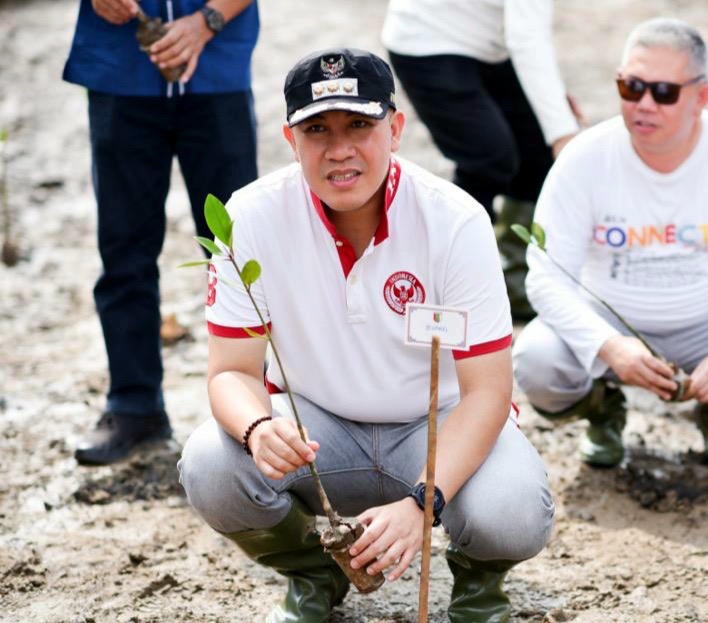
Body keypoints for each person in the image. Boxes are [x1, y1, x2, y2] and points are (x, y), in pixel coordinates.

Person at [177, 49, 554, 623]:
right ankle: (313, 570)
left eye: (360, 124)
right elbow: (230, 370)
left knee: (513, 511)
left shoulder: (456, 221)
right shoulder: (250, 216)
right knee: (210, 463)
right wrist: (258, 429)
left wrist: (421, 504)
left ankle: (478, 588)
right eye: (317, 129)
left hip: (437, 429)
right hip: (317, 430)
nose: (340, 149)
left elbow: (487, 392)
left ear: (396, 128)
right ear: (290, 138)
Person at [512, 18, 708, 470]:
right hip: (612, 318)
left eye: (663, 92)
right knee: (536, 360)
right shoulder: (583, 159)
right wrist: (609, 345)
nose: (644, 104)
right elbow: (545, 279)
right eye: (631, 87)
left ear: (702, 97)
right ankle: (602, 412)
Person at [63, 0, 259, 465]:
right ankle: (134, 406)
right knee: (123, 248)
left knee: (236, 251)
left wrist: (207, 20)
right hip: (119, 68)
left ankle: (258, 408)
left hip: (217, 67)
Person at [381, 0, 582, 319]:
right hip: (426, 38)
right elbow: (527, 35)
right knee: (488, 157)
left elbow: (527, 31)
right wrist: (562, 134)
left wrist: (553, 107)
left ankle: (518, 278)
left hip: (489, 41)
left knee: (536, 148)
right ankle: (454, 279)